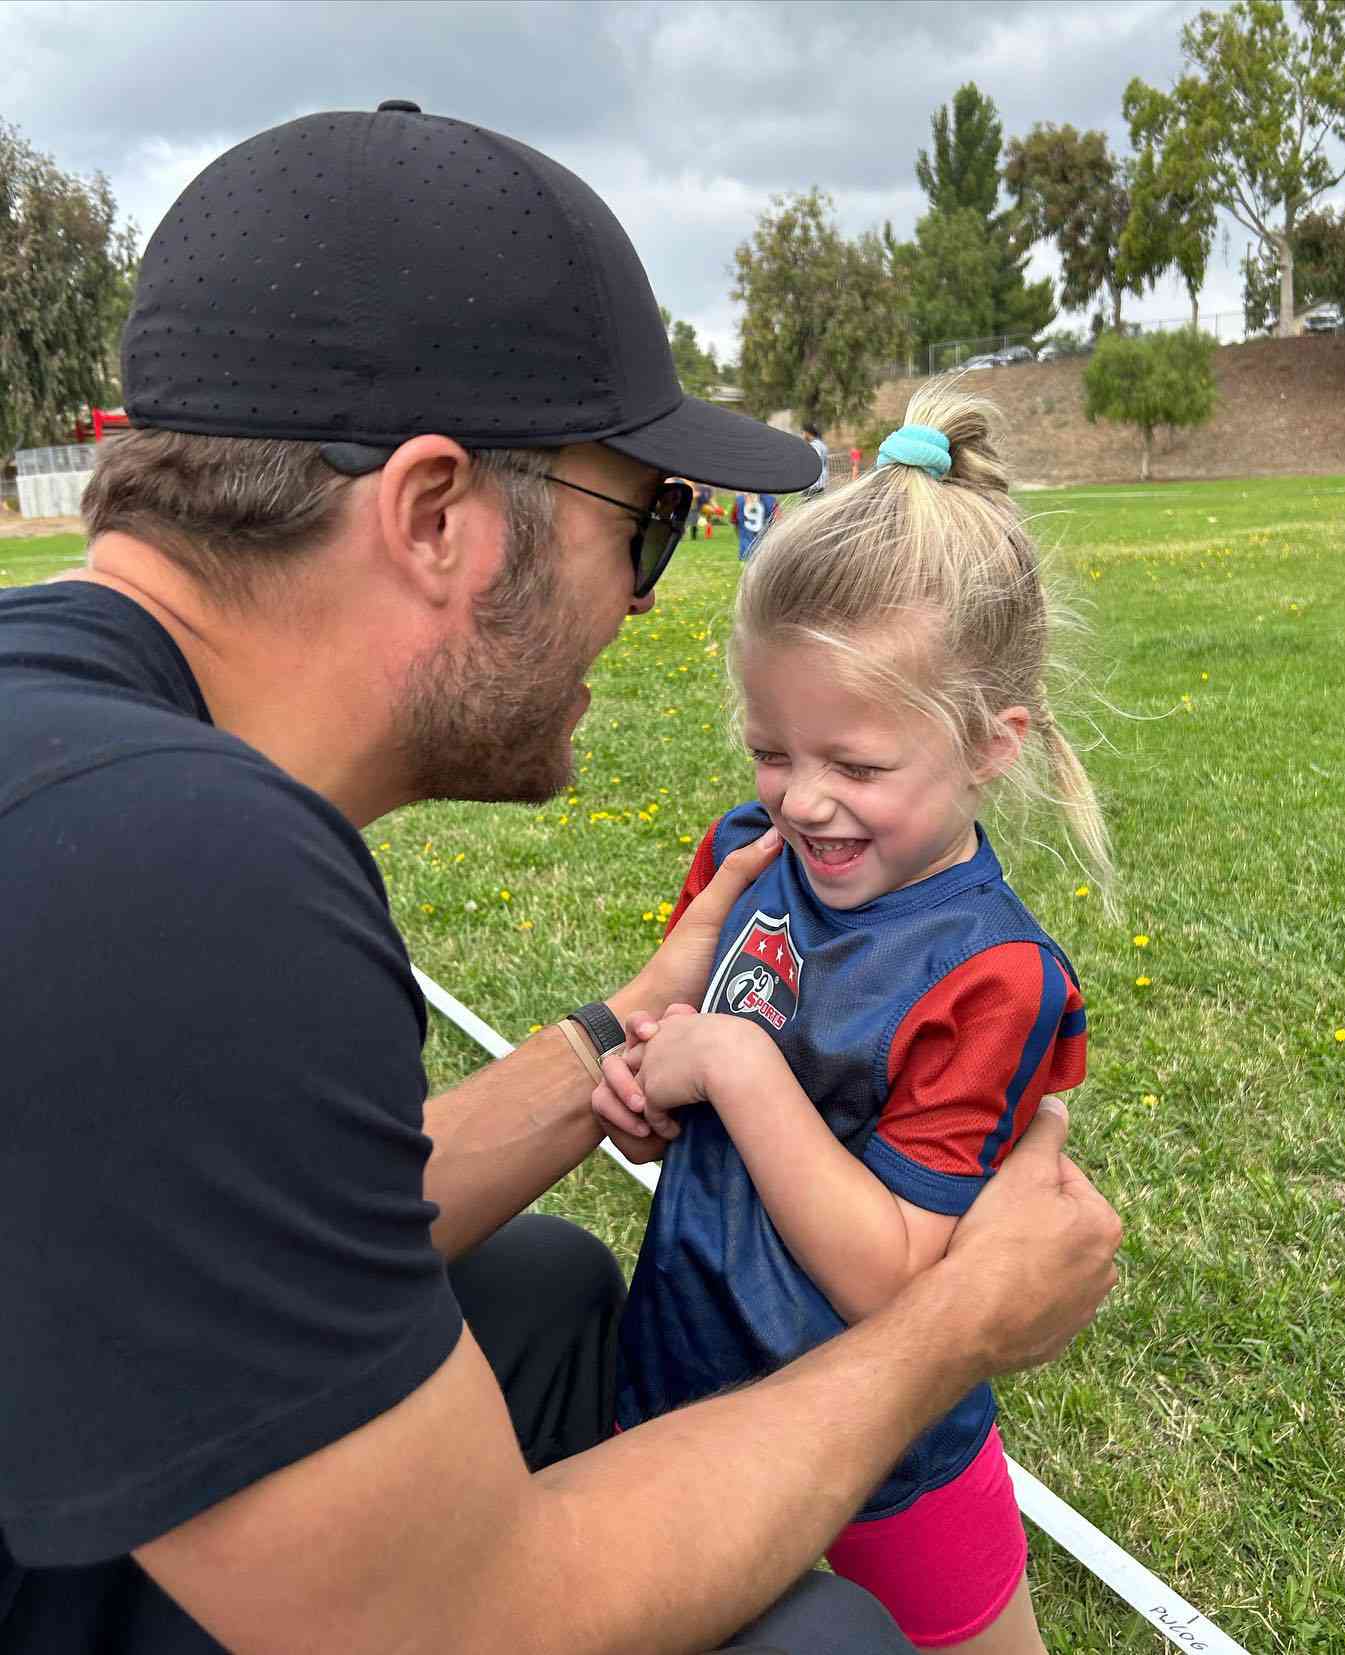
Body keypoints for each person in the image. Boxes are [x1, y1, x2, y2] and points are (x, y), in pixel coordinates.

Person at [0, 103, 1121, 1655]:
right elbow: (474, 1619)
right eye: (648, 520)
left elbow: (256, 1224)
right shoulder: (194, 881)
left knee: (524, 1282)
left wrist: (620, 1030)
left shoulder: (70, 746)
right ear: (439, 514)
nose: (646, 603)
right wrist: (954, 1324)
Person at [593, 394, 1113, 1653]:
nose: (804, 796)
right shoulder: (744, 857)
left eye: (859, 764)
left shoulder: (991, 976)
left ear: (994, 746)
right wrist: (650, 1093)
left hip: (892, 1454)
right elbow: (696, 1092)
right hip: (685, 1393)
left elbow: (891, 1274)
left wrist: (729, 1063)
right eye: (772, 747)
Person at [730, 487, 779, 561]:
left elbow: (734, 520)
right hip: (765, 547)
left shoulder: (739, 500)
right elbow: (778, 521)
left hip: (746, 546)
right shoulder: (772, 500)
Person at [801, 421, 829, 496]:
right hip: (821, 484)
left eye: (803, 433)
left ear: (807, 433)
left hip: (812, 486)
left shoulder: (813, 446)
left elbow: (814, 462)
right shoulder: (822, 445)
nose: (802, 435)